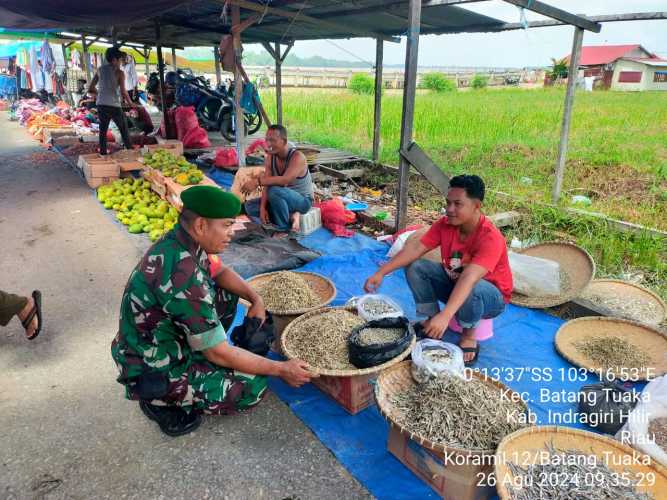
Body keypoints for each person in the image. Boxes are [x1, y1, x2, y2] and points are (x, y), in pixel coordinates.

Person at [111, 186, 315, 437]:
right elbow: (218, 352)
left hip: (169, 338)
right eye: (227, 225)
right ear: (200, 226)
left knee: (227, 293)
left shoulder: (183, 241)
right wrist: (281, 369)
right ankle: (158, 400)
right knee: (251, 387)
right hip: (151, 363)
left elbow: (219, 272)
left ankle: (201, 358)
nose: (232, 233)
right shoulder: (182, 274)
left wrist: (256, 298)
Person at [364, 175, 512, 364]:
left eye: (458, 204)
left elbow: (469, 278)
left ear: (477, 206)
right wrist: (381, 272)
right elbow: (416, 249)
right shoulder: (446, 224)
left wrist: (447, 315)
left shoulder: (491, 237)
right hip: (456, 284)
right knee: (416, 266)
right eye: (448, 203)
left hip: (490, 298)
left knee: (473, 287)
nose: (449, 209)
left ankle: (468, 335)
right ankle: (432, 320)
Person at [243, 125, 314, 234]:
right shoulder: (270, 158)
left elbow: (284, 180)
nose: (268, 144)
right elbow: (267, 184)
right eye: (267, 140)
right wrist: (262, 209)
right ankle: (291, 216)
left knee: (274, 191)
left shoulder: (297, 157)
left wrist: (257, 182)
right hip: (282, 198)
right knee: (250, 206)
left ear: (284, 141)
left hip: (303, 201)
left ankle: (283, 229)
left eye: (272, 140)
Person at [87, 47, 134, 155]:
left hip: (101, 105)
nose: (121, 62)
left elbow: (90, 88)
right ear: (114, 59)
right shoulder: (119, 73)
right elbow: (123, 92)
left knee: (103, 131)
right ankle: (131, 152)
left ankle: (103, 154)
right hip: (113, 105)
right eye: (120, 60)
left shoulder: (100, 70)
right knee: (123, 129)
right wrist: (131, 104)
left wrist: (100, 94)